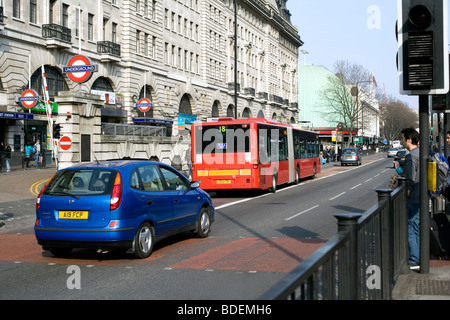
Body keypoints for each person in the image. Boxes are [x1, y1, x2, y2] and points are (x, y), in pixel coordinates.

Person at [401, 127, 420, 268]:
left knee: (410, 227)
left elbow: (410, 180)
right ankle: (420, 256)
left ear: (408, 139)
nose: (401, 141)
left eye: (402, 138)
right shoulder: (422, 153)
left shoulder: (410, 156)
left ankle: (414, 258)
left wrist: (405, 196)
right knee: (417, 227)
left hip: (414, 197)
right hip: (422, 196)